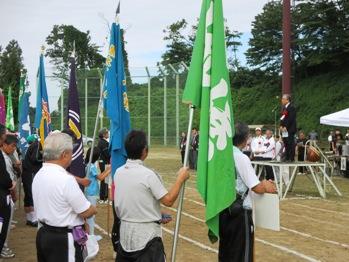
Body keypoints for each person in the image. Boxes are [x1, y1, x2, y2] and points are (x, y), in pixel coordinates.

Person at [114, 130, 189, 261]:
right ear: (145, 150)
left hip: (125, 234)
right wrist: (180, 179)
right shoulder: (148, 175)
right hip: (146, 238)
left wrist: (156, 214)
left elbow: (134, 200)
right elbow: (169, 200)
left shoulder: (118, 172)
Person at [32, 132, 97, 262]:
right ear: (64, 155)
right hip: (63, 238)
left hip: (44, 234)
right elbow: (86, 210)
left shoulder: (39, 174)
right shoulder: (66, 180)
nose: (72, 157)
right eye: (71, 153)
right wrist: (93, 209)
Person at [219, 122, 276, 262]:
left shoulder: (221, 156)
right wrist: (266, 184)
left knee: (226, 252)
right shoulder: (241, 157)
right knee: (242, 254)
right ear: (245, 139)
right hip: (239, 212)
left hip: (223, 209)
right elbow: (256, 187)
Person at [84, 147, 111, 238]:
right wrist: (109, 170)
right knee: (91, 215)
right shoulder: (91, 166)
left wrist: (106, 170)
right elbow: (100, 177)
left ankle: (89, 233)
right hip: (91, 192)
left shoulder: (87, 164)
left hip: (88, 191)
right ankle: (91, 235)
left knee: (89, 214)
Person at [0, 124, 15, 256]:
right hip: (3, 197)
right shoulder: (2, 156)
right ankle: (3, 247)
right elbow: (5, 178)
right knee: (3, 224)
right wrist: (11, 186)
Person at [21, 134, 42, 227]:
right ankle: (33, 219)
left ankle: (29, 218)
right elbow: (35, 158)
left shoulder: (31, 146)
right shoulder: (37, 145)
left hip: (27, 172)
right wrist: (44, 158)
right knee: (32, 194)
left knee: (28, 195)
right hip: (31, 172)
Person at [280, 94, 297, 162]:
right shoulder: (284, 108)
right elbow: (282, 118)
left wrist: (285, 127)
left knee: (290, 142)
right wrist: (281, 125)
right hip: (284, 129)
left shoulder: (292, 107)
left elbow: (291, 118)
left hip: (289, 129)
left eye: (283, 99)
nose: (282, 100)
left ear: (287, 100)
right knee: (286, 142)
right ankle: (287, 157)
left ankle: (291, 158)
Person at [97, 128, 110, 203]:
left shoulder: (102, 142)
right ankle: (104, 197)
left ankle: (103, 196)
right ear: (103, 135)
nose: (108, 134)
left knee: (105, 179)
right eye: (107, 133)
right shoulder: (103, 143)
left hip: (103, 162)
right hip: (104, 163)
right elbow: (107, 154)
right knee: (105, 179)